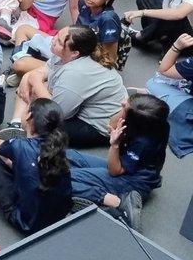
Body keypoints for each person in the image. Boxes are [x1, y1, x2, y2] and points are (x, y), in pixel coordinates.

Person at [2, 26, 127, 148]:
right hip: (81, 104)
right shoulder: (64, 55)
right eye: (56, 35)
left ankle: (25, 140)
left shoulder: (75, 72)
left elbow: (57, 111)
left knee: (37, 119)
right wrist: (28, 78)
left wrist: (35, 82)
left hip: (98, 125)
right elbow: (41, 71)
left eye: (59, 41)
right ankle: (16, 124)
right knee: (32, 88)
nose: (53, 40)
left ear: (74, 53)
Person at [0, 98, 73, 235]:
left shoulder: (19, 145)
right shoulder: (58, 146)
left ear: (29, 116)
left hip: (27, 223)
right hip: (61, 216)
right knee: (21, 163)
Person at [70, 94, 169, 233]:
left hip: (132, 181)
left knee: (61, 178)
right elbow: (111, 125)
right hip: (128, 166)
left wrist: (115, 145)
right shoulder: (155, 123)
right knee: (70, 156)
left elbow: (115, 170)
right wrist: (126, 110)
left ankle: (116, 202)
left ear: (133, 121)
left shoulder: (143, 143)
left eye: (124, 106)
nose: (122, 102)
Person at [6, 0, 128, 85]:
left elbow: (110, 59)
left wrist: (71, 61)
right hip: (68, 45)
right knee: (23, 29)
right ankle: (31, 70)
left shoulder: (108, 19)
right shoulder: (84, 4)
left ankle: (32, 71)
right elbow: (77, 30)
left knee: (19, 65)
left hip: (81, 60)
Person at [146, 33, 193, 157]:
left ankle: (153, 95)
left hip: (188, 108)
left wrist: (176, 46)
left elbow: (164, 70)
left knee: (153, 83)